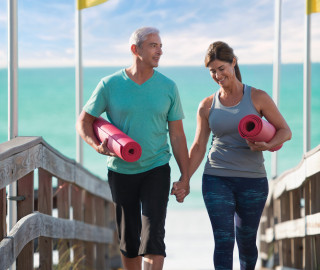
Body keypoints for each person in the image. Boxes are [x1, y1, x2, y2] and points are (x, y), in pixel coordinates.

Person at [76, 27, 189, 270]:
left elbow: (178, 136)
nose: (160, 50)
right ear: (135, 50)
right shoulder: (110, 84)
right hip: (121, 171)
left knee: (154, 236)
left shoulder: (168, 87)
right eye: (153, 45)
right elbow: (83, 121)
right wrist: (96, 145)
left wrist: (185, 176)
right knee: (129, 240)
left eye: (160, 45)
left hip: (156, 168)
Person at [187, 41, 292, 269]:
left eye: (221, 68)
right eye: (212, 71)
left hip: (252, 180)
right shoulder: (206, 105)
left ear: (233, 63)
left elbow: (286, 131)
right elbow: (198, 147)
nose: (217, 75)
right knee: (224, 241)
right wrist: (184, 179)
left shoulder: (258, 97)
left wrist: (268, 144)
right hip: (216, 177)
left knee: (246, 243)